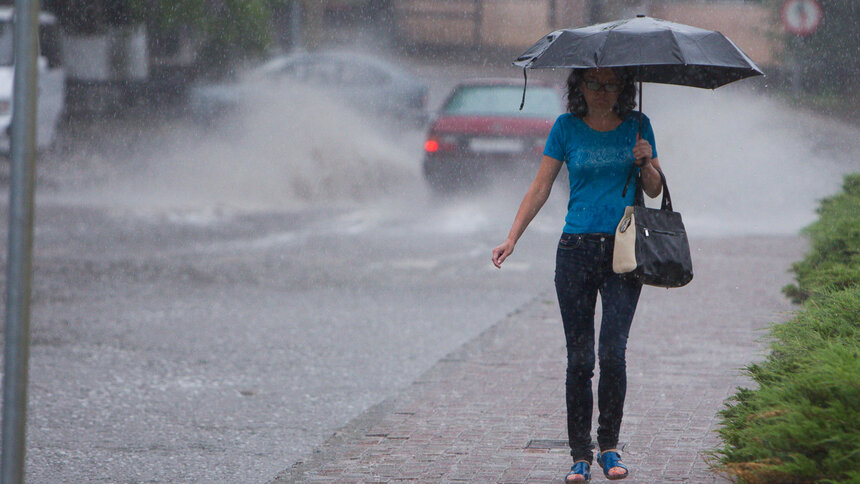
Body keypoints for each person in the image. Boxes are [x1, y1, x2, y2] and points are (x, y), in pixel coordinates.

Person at [491, 67, 663, 482]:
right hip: (575, 251)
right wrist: (512, 238)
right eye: (593, 83)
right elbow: (540, 187)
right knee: (580, 359)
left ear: (623, 87)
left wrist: (646, 162)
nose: (602, 92)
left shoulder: (640, 126)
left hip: (624, 253)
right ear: (579, 87)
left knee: (613, 354)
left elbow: (655, 189)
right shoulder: (565, 128)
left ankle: (609, 447)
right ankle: (579, 455)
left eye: (610, 84)